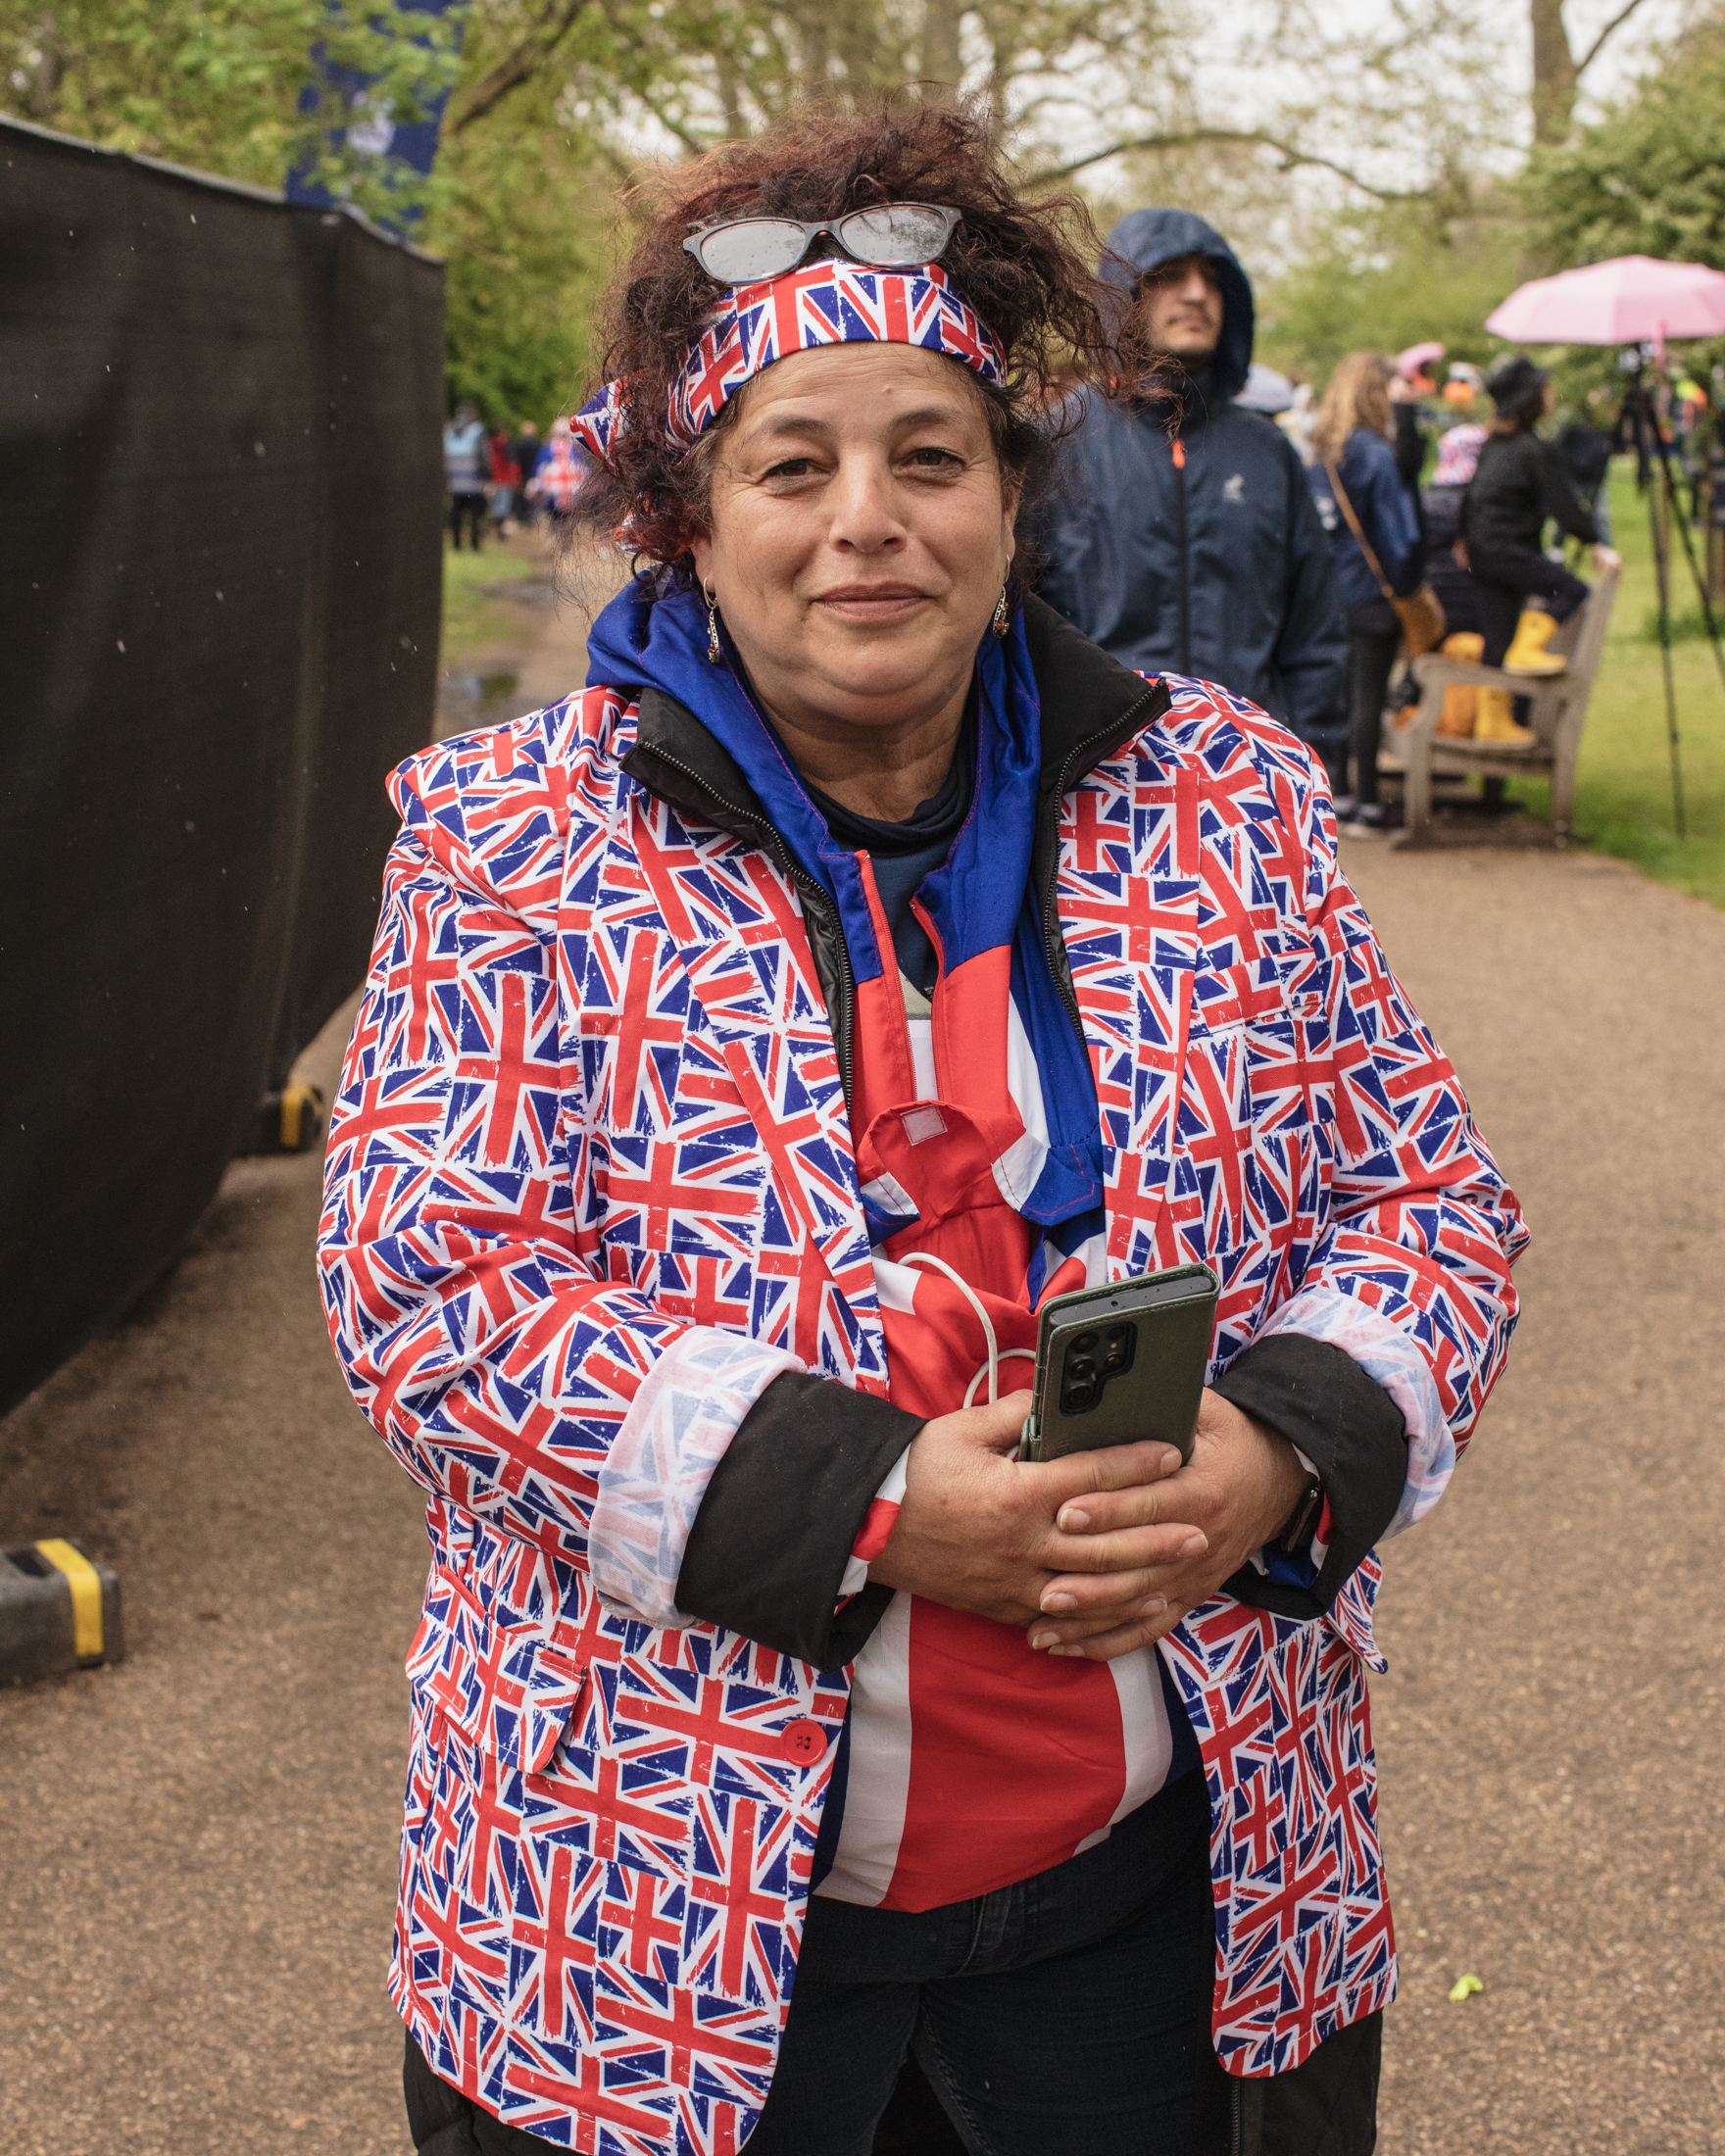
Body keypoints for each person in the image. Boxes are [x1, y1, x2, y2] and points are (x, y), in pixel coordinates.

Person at [320, 100, 1526, 2156]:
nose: (864, 516)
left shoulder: (1219, 796)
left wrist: (1280, 1447)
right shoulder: (512, 842)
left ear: (1006, 503)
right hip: (657, 1935)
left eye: (929, 456)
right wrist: (878, 1498)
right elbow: (430, 1286)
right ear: (691, 517)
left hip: (1159, 1921)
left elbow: (1431, 1198)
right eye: (792, 463)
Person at [1039, 210, 1348, 783]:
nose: (1198, 294)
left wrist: (1313, 765)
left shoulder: (1266, 451)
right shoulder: (1058, 440)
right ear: (1121, 295)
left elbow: (1315, 631)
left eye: (1213, 278)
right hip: (1096, 783)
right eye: (1169, 276)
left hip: (1251, 780)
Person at [1306, 353, 1426, 832]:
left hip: (1329, 592)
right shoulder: (1375, 452)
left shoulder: (1320, 452)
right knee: (1367, 696)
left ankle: (1335, 793)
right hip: (1370, 590)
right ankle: (1369, 799)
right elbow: (1400, 531)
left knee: (1337, 694)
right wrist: (1406, 582)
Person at [1460, 356, 1620, 683]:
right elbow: (1563, 504)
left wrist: (1462, 538)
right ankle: (1528, 648)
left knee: (1498, 635)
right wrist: (1596, 542)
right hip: (1509, 549)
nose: (1552, 394)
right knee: (1570, 589)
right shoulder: (1533, 450)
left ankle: (1493, 722)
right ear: (1531, 400)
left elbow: (1471, 494)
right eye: (1546, 389)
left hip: (1481, 551)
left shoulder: (1494, 444)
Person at [523, 414, 588, 526]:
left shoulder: (547, 448)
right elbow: (584, 469)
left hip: (554, 493)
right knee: (567, 522)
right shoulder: (575, 449)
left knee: (555, 519)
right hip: (569, 492)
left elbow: (538, 469)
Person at [444, 401, 488, 551]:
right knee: (476, 515)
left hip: (454, 481)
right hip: (474, 481)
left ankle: (456, 545)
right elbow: (484, 456)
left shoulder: (449, 429)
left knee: (456, 513)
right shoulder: (478, 430)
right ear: (473, 415)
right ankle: (475, 544)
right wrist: (488, 478)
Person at [510, 418, 542, 527]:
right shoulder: (537, 443)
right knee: (532, 495)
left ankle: (521, 517)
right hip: (533, 472)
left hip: (521, 473)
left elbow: (515, 460)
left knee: (520, 495)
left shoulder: (518, 443)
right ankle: (529, 517)